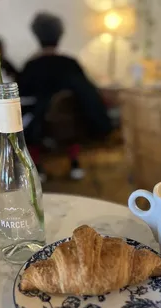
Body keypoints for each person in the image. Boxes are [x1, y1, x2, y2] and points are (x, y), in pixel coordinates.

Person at [19, 12, 112, 181]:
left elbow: (21, 97)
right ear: (59, 35)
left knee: (26, 122)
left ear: (36, 36)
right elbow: (89, 93)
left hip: (41, 124)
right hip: (71, 125)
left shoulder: (31, 66)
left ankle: (37, 168)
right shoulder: (71, 63)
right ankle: (75, 163)